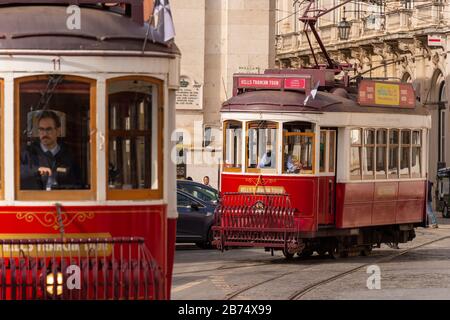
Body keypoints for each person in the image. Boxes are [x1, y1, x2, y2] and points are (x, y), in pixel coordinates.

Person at [20, 110, 81, 190]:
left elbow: (79, 183)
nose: (44, 134)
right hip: (35, 200)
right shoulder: (28, 153)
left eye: (49, 129)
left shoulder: (69, 155)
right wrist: (36, 170)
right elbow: (15, 172)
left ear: (58, 131)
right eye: (41, 129)